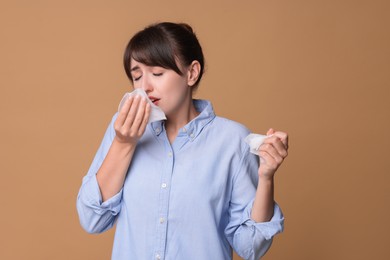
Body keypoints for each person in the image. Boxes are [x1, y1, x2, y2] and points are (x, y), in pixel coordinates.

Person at [77, 22, 289, 260]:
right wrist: (124, 143)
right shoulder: (123, 129)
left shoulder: (233, 141)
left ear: (192, 73)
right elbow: (92, 219)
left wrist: (266, 177)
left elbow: (251, 247)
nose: (144, 87)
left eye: (157, 73)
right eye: (137, 76)